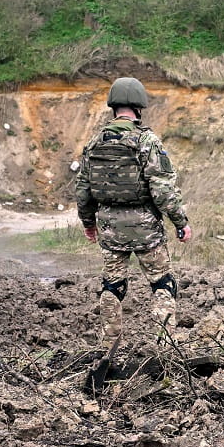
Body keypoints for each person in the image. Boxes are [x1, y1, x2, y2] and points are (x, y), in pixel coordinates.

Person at [74, 77, 191, 346]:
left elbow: (83, 190)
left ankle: (108, 347)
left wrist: (88, 223)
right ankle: (164, 347)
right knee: (162, 283)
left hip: (109, 228)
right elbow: (163, 191)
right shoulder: (146, 140)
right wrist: (180, 222)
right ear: (139, 106)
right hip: (146, 228)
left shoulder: (94, 143)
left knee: (112, 286)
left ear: (113, 105)